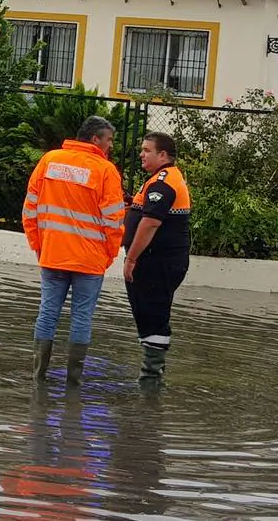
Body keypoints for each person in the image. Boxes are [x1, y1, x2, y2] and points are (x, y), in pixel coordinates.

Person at [22, 115, 126, 386]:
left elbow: (29, 209)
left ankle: (38, 377)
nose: (111, 146)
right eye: (109, 140)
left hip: (52, 255)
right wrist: (109, 255)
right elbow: (114, 221)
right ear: (95, 139)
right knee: (81, 317)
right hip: (90, 261)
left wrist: (38, 246)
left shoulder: (49, 161)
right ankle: (73, 382)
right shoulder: (105, 171)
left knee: (47, 313)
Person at [122, 131, 191, 383]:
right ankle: (151, 377)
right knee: (149, 314)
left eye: (146, 150)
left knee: (153, 315)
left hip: (157, 262)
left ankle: (151, 380)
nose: (141, 154)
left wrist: (131, 259)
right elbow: (143, 213)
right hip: (154, 261)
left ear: (162, 155)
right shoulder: (160, 179)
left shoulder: (163, 182)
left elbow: (150, 223)